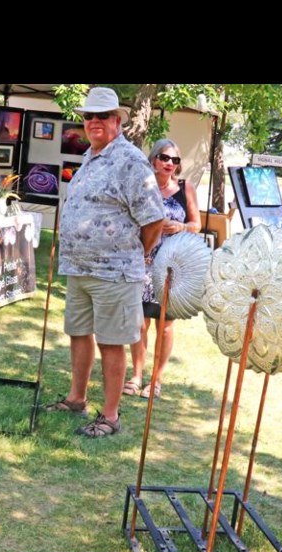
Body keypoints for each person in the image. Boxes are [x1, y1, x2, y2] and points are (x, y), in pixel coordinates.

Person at [44, 87, 165, 437]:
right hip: (80, 268)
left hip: (114, 271)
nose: (94, 122)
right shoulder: (91, 156)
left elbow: (153, 218)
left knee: (111, 341)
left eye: (102, 116)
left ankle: (110, 416)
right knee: (78, 334)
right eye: (88, 116)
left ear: (117, 120)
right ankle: (76, 398)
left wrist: (137, 252)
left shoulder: (129, 160)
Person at [123, 139, 201, 399]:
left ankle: (156, 380)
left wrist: (180, 227)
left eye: (175, 160)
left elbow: (196, 224)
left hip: (171, 265)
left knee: (165, 325)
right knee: (140, 322)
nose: (169, 164)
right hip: (143, 260)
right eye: (165, 158)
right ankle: (136, 375)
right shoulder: (144, 187)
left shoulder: (185, 188)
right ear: (154, 159)